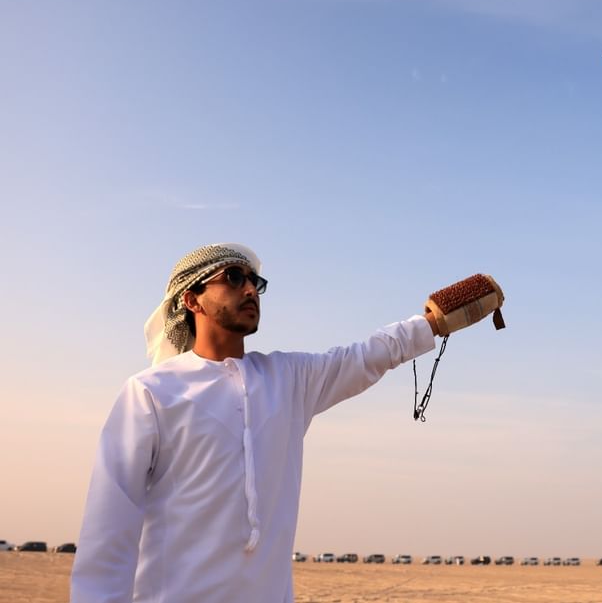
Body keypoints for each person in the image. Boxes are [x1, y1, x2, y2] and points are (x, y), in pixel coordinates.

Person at [71, 243, 497, 603]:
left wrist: (433, 322)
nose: (251, 288)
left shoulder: (288, 379)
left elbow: (367, 355)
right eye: (234, 278)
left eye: (256, 282)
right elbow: (109, 527)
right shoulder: (150, 392)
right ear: (191, 298)